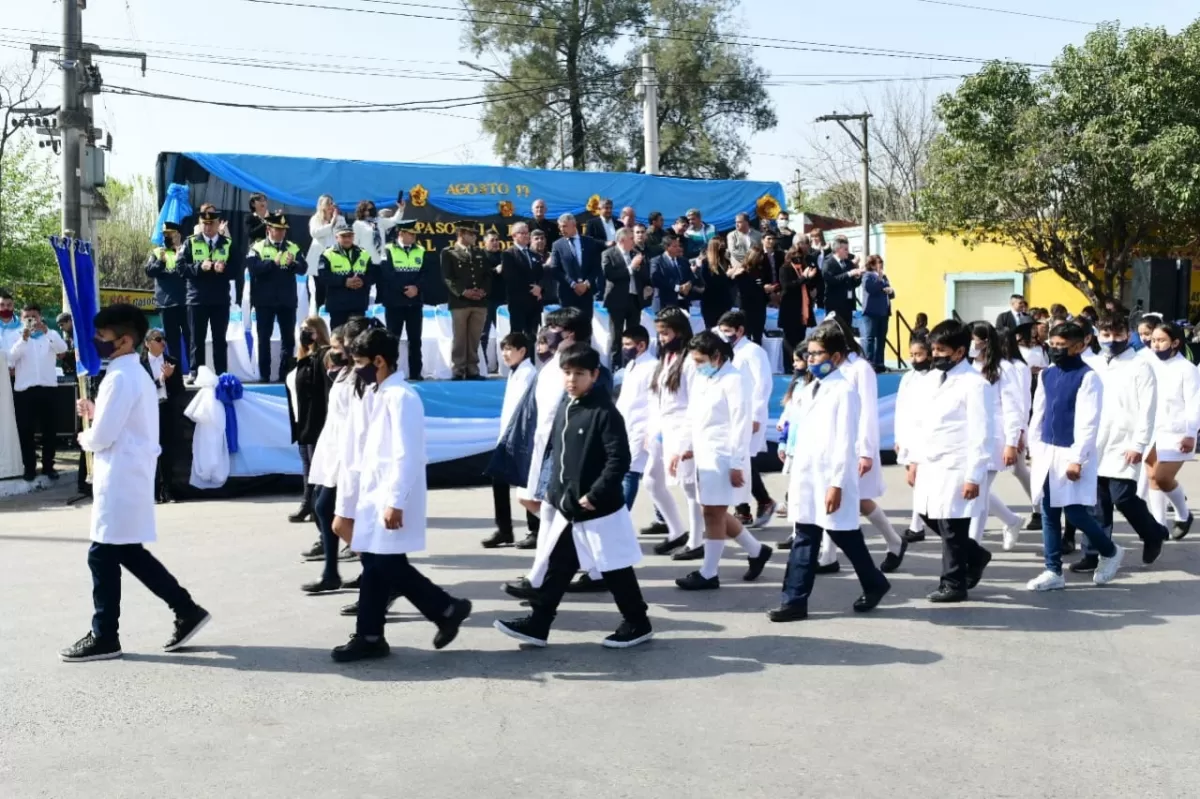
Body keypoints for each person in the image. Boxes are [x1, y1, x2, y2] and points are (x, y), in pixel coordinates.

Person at [60, 303, 210, 662]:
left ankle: (105, 634)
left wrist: (87, 435)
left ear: (125, 340)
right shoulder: (129, 373)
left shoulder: (123, 376)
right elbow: (120, 421)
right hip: (127, 471)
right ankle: (185, 609)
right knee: (126, 552)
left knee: (103, 554)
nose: (96, 342)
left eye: (102, 337)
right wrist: (97, 414)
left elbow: (105, 436)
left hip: (121, 474)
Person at [493, 343, 653, 649]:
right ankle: (539, 625)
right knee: (560, 565)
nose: (572, 379)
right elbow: (559, 456)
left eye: (579, 373)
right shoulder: (567, 406)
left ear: (594, 375)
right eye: (567, 373)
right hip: (568, 506)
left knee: (615, 567)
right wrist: (552, 494)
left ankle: (637, 622)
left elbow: (619, 460)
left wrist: (595, 495)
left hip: (599, 509)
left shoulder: (604, 412)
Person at [329, 328, 472, 662]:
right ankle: (371, 635)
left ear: (380, 360)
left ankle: (445, 608)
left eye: (362, 362)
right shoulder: (377, 393)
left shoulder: (401, 397)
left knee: (384, 564)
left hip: (390, 496)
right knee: (377, 566)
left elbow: (407, 455)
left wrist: (395, 501)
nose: (358, 369)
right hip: (372, 494)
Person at [769, 324, 890, 622]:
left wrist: (836, 484)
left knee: (845, 535)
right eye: (808, 354)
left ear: (835, 357)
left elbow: (844, 441)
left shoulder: (844, 391)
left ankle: (874, 583)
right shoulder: (810, 389)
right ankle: (794, 600)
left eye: (817, 354)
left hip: (831, 476)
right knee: (805, 537)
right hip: (807, 476)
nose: (811, 359)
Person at [1026, 321, 1124, 591]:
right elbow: (1039, 413)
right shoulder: (1047, 374)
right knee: (1048, 510)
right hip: (1047, 449)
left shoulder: (1088, 377)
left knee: (1075, 511)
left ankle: (1110, 550)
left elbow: (1088, 421)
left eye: (1063, 346)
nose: (1056, 350)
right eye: (1053, 345)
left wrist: (1077, 459)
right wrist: (1034, 446)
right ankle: (1052, 571)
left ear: (1079, 346)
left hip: (1071, 451)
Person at [672, 331, 773, 590]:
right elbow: (692, 416)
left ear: (716, 356)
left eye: (700, 360)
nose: (696, 366)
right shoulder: (704, 379)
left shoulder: (734, 380)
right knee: (714, 510)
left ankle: (709, 572)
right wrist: (683, 447)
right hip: (705, 455)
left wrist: (737, 463)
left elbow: (741, 424)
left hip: (724, 456)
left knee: (712, 512)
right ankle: (756, 550)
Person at [905, 319, 995, 602]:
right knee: (930, 516)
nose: (935, 355)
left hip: (957, 464)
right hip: (931, 464)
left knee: (952, 527)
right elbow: (921, 423)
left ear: (958, 352)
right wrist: (914, 460)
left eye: (941, 350)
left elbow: (982, 433)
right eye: (933, 349)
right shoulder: (932, 380)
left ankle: (953, 583)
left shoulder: (975, 384)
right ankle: (976, 555)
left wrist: (974, 476)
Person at [814, 316, 907, 574]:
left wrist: (866, 451)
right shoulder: (831, 369)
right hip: (833, 444)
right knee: (840, 498)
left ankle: (894, 541)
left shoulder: (860, 368)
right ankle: (828, 556)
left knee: (857, 500)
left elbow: (868, 411)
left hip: (854, 444)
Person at [1075, 313, 1168, 570]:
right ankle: (1094, 553)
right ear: (1097, 335)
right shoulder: (1093, 363)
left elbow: (1148, 409)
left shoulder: (1140, 365)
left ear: (1128, 334)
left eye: (1118, 335)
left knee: (1122, 497)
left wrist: (1139, 444)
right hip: (1096, 441)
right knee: (1096, 501)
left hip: (1125, 443)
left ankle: (1153, 533)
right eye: (1106, 335)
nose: (1112, 340)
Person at [303, 317, 374, 591]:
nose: (334, 350)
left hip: (349, 451)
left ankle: (372, 570)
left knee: (327, 509)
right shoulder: (344, 370)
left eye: (339, 344)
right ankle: (334, 571)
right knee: (324, 507)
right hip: (333, 447)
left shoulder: (364, 374)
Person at [643, 308, 703, 559]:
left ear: (679, 331)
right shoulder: (665, 360)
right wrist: (650, 431)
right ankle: (677, 530)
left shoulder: (690, 362)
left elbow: (694, 404)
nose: (662, 338)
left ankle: (696, 541)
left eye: (665, 333)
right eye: (659, 333)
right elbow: (656, 399)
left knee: (691, 489)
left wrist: (686, 443)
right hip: (661, 430)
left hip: (682, 430)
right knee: (651, 480)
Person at [966, 322, 1028, 549]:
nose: (971, 344)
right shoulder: (967, 367)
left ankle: (972, 548)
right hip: (969, 437)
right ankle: (1012, 520)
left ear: (985, 341)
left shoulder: (1004, 368)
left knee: (979, 493)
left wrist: (1012, 441)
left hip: (994, 438)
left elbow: (1013, 407)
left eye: (974, 339)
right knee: (976, 489)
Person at [718, 311, 777, 528]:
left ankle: (758, 503)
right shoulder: (729, 351)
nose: (723, 335)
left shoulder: (753, 351)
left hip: (751, 414)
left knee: (742, 461)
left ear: (740, 330)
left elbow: (763, 386)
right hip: (734, 414)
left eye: (727, 331)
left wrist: (755, 416)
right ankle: (746, 509)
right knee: (739, 460)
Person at [483, 333, 540, 549]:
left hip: (520, 437)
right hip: (507, 436)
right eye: (503, 349)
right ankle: (504, 529)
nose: (504, 354)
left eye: (509, 349)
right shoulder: (515, 373)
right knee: (499, 479)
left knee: (526, 483)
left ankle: (534, 529)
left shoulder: (528, 374)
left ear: (522, 351)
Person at [1145, 320, 1200, 539]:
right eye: (1153, 340)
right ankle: (1159, 527)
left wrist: (1190, 432)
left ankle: (1183, 514)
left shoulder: (1186, 369)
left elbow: (1194, 402)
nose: (1155, 345)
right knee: (1152, 476)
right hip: (1152, 429)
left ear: (1175, 342)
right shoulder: (1149, 364)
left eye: (1161, 340)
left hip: (1178, 431)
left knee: (1163, 477)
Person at [9, 303, 67, 481]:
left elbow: (62, 349)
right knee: (26, 431)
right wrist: (23, 339)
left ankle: (49, 466)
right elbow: (10, 360)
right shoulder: (14, 336)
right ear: (22, 318)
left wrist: (46, 331)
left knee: (49, 430)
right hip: (24, 392)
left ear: (40, 317)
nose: (31, 320)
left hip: (48, 389)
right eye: (27, 317)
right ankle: (30, 467)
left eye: (34, 317)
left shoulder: (51, 335)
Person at [245, 212, 305, 383]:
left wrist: (293, 263)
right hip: (264, 301)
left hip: (286, 301)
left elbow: (303, 268)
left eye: (283, 230)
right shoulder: (257, 247)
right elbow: (252, 267)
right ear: (268, 229)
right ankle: (264, 375)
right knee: (264, 339)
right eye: (277, 229)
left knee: (288, 340)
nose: (281, 233)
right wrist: (273, 263)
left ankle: (284, 375)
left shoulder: (292, 247)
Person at [177, 204, 234, 380]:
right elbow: (180, 268)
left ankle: (221, 373)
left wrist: (223, 269)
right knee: (196, 339)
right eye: (204, 223)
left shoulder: (228, 244)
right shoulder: (190, 242)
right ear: (200, 223)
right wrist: (199, 267)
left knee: (219, 339)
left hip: (220, 300)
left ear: (218, 224)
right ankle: (196, 371)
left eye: (211, 224)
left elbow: (237, 270)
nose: (208, 227)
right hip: (197, 299)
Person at [285, 316, 331, 524]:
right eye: (302, 329)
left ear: (319, 332)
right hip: (301, 420)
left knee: (316, 466)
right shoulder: (301, 359)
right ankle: (310, 503)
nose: (304, 333)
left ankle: (313, 504)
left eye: (309, 330)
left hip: (316, 420)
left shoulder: (323, 356)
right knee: (307, 465)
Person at [440, 221, 490, 381]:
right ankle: (458, 369)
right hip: (460, 302)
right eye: (471, 234)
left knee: (475, 337)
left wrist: (483, 291)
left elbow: (487, 275)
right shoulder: (449, 252)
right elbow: (448, 277)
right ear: (461, 234)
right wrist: (463, 292)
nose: (475, 237)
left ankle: (472, 369)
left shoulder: (480, 252)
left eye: (475, 234)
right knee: (460, 337)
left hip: (479, 302)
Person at [140, 328, 185, 504]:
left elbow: (179, 389)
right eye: (158, 339)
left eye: (163, 339)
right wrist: (160, 379)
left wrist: (170, 378)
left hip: (166, 408)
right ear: (147, 343)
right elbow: (141, 389)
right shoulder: (140, 364)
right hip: (148, 411)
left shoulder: (171, 361)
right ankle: (152, 491)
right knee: (150, 451)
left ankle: (168, 490)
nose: (162, 342)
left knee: (167, 451)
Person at [895, 337, 932, 543]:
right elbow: (900, 408)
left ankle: (916, 526)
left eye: (919, 354)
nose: (914, 359)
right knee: (916, 482)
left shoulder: (935, 377)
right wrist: (899, 437)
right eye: (912, 355)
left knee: (920, 480)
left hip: (925, 436)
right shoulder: (908, 377)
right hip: (909, 434)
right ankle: (917, 524)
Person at [378, 220, 426, 381]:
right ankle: (391, 372)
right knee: (392, 339)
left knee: (415, 339)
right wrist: (405, 289)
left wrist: (416, 288)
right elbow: (387, 274)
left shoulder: (421, 250)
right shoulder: (387, 249)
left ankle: (415, 373)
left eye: (414, 234)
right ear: (401, 234)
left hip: (415, 302)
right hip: (394, 302)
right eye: (410, 234)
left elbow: (425, 274)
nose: (413, 237)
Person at [615, 324, 656, 510]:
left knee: (630, 473)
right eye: (623, 344)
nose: (624, 348)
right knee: (653, 476)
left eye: (628, 344)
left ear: (641, 345)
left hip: (642, 428)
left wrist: (650, 431)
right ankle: (664, 518)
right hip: (626, 426)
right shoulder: (631, 365)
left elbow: (654, 402)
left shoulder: (652, 367)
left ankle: (621, 518)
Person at [601, 228, 650, 368]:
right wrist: (631, 267)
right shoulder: (608, 254)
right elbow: (610, 274)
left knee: (634, 334)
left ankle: (633, 362)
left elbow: (645, 275)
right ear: (622, 240)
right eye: (631, 239)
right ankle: (616, 366)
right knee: (616, 335)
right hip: (616, 300)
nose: (634, 241)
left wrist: (645, 280)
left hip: (634, 299)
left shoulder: (636, 254)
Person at [144, 223, 189, 362]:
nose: (167, 237)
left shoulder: (187, 251)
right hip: (167, 304)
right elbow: (149, 271)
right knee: (172, 341)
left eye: (170, 234)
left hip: (186, 302)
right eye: (165, 234)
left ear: (179, 234)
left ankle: (195, 371)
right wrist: (161, 262)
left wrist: (179, 252)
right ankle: (176, 373)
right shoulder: (158, 252)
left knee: (191, 338)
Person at [547, 213, 602, 325]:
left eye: (564, 226)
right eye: (560, 227)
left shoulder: (589, 242)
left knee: (585, 326)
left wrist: (586, 284)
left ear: (573, 224)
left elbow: (596, 266)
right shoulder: (557, 245)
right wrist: (573, 284)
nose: (562, 229)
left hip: (586, 293)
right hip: (567, 293)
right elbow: (555, 268)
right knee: (568, 326)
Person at [318, 223, 374, 330]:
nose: (347, 239)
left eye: (350, 236)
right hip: (338, 305)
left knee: (358, 340)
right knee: (338, 340)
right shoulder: (327, 254)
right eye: (344, 236)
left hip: (358, 304)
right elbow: (323, 276)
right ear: (336, 237)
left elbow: (372, 274)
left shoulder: (364, 253)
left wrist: (363, 281)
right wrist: (344, 281)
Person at [778, 240, 822, 374]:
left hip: (802, 310)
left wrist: (811, 277)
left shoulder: (803, 268)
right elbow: (788, 286)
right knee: (789, 339)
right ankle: (788, 365)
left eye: (800, 256)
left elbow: (808, 284)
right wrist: (803, 277)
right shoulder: (785, 268)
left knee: (800, 339)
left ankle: (800, 364)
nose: (798, 258)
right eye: (796, 255)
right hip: (790, 309)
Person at [502, 222, 544, 342]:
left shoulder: (534, 254)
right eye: (522, 233)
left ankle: (530, 360)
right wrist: (532, 289)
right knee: (518, 337)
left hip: (534, 303)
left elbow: (541, 275)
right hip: (518, 302)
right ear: (514, 235)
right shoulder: (508, 254)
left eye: (527, 233)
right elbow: (511, 278)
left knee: (532, 336)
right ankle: (518, 360)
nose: (526, 235)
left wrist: (540, 288)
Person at [306, 195, 345, 313]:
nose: (331, 206)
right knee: (320, 292)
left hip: (335, 258)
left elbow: (343, 234)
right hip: (319, 259)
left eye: (332, 203)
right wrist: (331, 224)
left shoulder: (340, 219)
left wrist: (336, 220)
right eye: (328, 204)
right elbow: (314, 233)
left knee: (334, 290)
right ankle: (320, 317)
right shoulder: (315, 219)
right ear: (322, 206)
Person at [729, 243, 771, 344]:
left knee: (758, 335)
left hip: (760, 306)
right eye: (759, 256)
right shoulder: (742, 272)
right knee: (746, 335)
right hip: (747, 308)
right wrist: (762, 289)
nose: (761, 258)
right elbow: (745, 290)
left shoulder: (761, 269)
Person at [651, 234, 705, 310]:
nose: (678, 249)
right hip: (665, 304)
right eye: (675, 246)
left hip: (683, 303)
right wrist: (677, 288)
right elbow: (657, 280)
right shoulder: (656, 261)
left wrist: (689, 284)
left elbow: (691, 276)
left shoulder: (683, 260)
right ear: (667, 247)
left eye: (678, 246)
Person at [352, 194, 407, 267]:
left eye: (372, 209)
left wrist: (401, 209)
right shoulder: (358, 224)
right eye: (369, 209)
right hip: (366, 259)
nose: (371, 211)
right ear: (362, 211)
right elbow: (355, 243)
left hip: (381, 259)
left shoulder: (379, 221)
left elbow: (394, 220)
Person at [860, 255, 894, 369]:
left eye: (882, 262)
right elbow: (871, 289)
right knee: (870, 338)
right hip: (871, 312)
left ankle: (880, 362)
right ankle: (869, 362)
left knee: (881, 338)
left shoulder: (884, 276)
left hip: (883, 312)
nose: (881, 265)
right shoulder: (867, 276)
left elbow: (890, 291)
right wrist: (879, 279)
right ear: (872, 264)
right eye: (879, 263)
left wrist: (890, 291)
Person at [820, 236, 862, 323]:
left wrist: (858, 277)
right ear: (838, 249)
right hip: (834, 306)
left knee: (847, 332)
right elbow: (830, 280)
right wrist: (849, 273)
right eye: (845, 249)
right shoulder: (828, 262)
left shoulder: (848, 263)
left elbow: (853, 284)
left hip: (848, 305)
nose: (848, 252)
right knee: (835, 331)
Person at [480, 231, 507, 367]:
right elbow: (479, 275)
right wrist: (494, 271)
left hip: (502, 300)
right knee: (483, 334)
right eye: (492, 240)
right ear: (485, 242)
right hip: (486, 300)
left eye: (497, 240)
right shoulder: (481, 256)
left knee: (504, 334)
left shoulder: (504, 256)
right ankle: (483, 365)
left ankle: (503, 364)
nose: (496, 243)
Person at [698, 237, 735, 330]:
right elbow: (709, 283)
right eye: (720, 245)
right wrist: (727, 275)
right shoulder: (706, 263)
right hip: (711, 303)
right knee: (712, 330)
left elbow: (729, 284)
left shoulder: (726, 261)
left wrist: (733, 276)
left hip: (725, 301)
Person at [530, 229, 558, 307]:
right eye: (536, 239)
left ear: (545, 241)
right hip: (536, 298)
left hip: (554, 297)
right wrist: (546, 265)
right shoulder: (527, 256)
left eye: (542, 238)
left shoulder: (552, 255)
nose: (540, 241)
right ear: (531, 240)